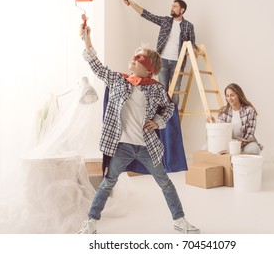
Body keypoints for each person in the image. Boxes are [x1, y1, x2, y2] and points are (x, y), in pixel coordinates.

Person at [77, 25, 199, 234]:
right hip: (122, 146)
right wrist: (87, 39)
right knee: (107, 184)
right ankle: (90, 222)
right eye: (134, 55)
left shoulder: (155, 89)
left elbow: (169, 106)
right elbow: (96, 66)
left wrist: (159, 121)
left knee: (165, 183)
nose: (134, 58)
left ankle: (180, 221)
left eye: (139, 58)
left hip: (146, 147)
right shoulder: (118, 80)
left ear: (149, 68)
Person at [123, 0, 197, 106]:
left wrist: (195, 50)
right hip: (163, 61)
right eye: (172, 6)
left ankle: (173, 118)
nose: (172, 8)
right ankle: (161, 119)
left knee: (175, 92)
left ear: (182, 10)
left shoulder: (188, 26)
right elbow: (147, 15)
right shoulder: (165, 21)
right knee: (162, 90)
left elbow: (192, 43)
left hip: (178, 62)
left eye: (175, 6)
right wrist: (131, 3)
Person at [208, 83, 263, 155]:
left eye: (232, 95)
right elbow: (221, 133)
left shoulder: (249, 111)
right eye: (227, 96)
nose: (229, 98)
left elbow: (249, 136)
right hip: (227, 144)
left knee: (254, 149)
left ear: (239, 95)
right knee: (205, 148)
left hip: (245, 144)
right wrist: (213, 124)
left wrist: (234, 148)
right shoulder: (223, 111)